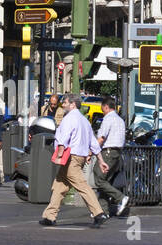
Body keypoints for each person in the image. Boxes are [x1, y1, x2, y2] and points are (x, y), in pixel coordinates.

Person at [39, 95, 107, 227]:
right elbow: (93, 142)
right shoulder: (84, 120)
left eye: (65, 103)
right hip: (78, 157)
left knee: (82, 186)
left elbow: (63, 138)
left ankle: (99, 213)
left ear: (73, 104)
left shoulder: (69, 119)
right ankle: (49, 216)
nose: (62, 105)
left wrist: (59, 155)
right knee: (59, 186)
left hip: (71, 157)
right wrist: (100, 160)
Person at [92, 97, 130, 218]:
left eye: (103, 109)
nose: (102, 111)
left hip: (107, 152)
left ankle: (121, 198)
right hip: (117, 153)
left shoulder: (108, 119)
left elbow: (101, 138)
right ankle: (102, 211)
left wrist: (90, 152)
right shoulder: (120, 120)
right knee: (105, 181)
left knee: (99, 179)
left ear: (106, 107)